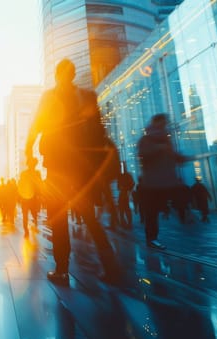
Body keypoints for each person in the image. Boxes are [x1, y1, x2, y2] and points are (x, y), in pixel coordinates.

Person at [25, 58, 120, 286]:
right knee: (87, 215)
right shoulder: (86, 96)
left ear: (58, 75)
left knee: (58, 217)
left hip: (58, 164)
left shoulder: (50, 97)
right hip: (79, 165)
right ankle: (110, 266)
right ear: (73, 74)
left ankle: (61, 269)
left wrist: (29, 152)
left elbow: (37, 124)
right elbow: (98, 131)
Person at [137, 113, 188, 250]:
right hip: (152, 183)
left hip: (168, 181)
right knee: (151, 212)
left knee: (176, 202)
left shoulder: (166, 140)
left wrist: (181, 158)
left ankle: (182, 219)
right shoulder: (146, 139)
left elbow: (172, 156)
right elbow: (143, 155)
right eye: (164, 122)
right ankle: (152, 239)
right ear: (156, 123)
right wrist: (159, 149)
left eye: (166, 123)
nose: (166, 125)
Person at [18, 158, 43, 238]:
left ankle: (33, 223)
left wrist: (40, 195)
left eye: (34, 164)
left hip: (33, 198)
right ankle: (26, 231)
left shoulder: (37, 173)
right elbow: (20, 185)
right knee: (25, 215)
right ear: (29, 164)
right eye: (31, 164)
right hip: (26, 198)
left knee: (33, 213)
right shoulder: (24, 174)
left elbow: (40, 185)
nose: (32, 166)